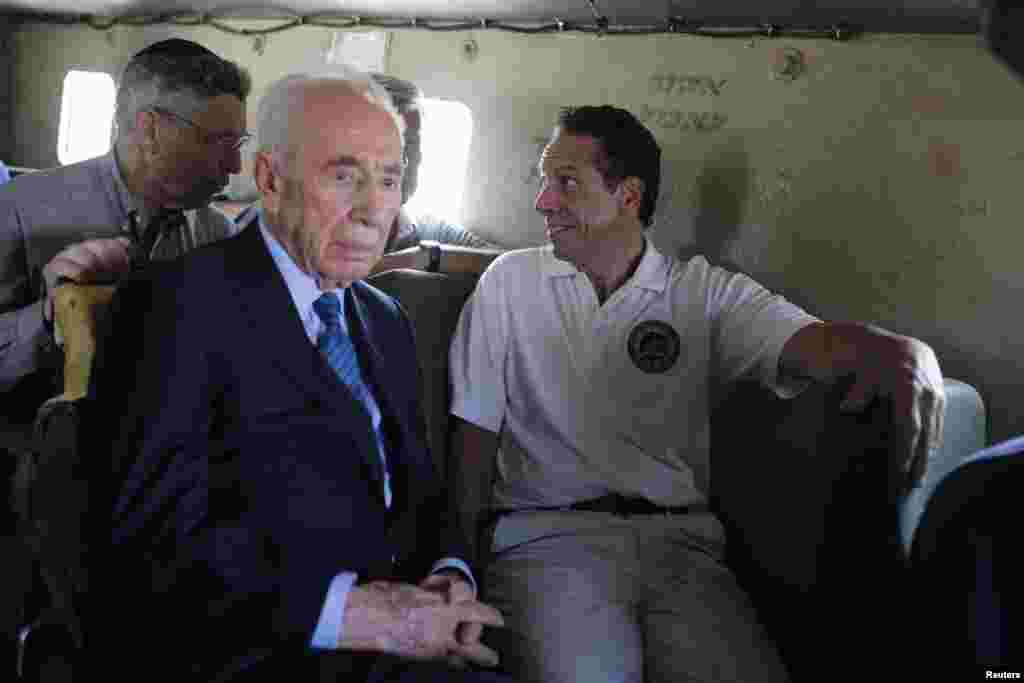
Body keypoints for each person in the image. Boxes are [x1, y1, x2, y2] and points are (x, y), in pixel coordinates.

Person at [449, 105, 946, 683]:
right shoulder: (510, 283)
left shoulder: (705, 294)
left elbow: (814, 343)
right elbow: (474, 434)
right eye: (544, 180)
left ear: (627, 196)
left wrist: (908, 354)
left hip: (681, 549)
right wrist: (459, 563)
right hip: (546, 543)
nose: (542, 202)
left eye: (566, 183)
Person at [90, 68, 511, 682]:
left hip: (390, 650)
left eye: (388, 180)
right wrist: (358, 614)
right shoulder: (176, 303)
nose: (374, 209)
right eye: (343, 175)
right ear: (269, 180)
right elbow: (153, 540)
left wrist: (449, 577)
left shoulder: (383, 318)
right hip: (252, 653)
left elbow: (418, 488)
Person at [0, 38, 249, 422]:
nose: (234, 166)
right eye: (216, 142)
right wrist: (53, 317)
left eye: (238, 143)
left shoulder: (219, 235)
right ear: (149, 130)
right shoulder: (20, 209)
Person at [368, 73, 502, 276]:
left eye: (412, 143)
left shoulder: (431, 231)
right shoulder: (317, 230)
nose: (404, 161)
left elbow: (509, 267)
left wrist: (424, 257)